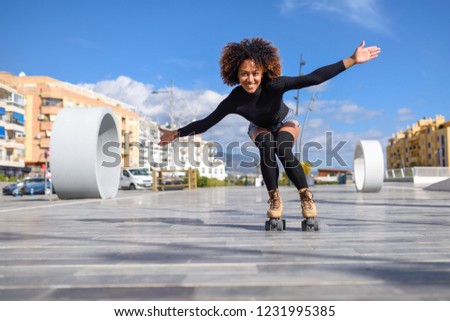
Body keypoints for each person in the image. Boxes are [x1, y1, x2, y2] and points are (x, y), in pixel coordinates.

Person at [159, 38, 380, 223]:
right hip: (259, 127)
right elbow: (206, 123)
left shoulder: (275, 85)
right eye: (244, 74)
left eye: (255, 73)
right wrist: (175, 133)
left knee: (283, 149)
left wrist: (352, 60)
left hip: (285, 120)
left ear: (263, 71)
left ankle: (306, 197)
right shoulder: (234, 100)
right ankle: (274, 198)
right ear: (236, 74)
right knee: (267, 146)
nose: (250, 79)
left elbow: (313, 78)